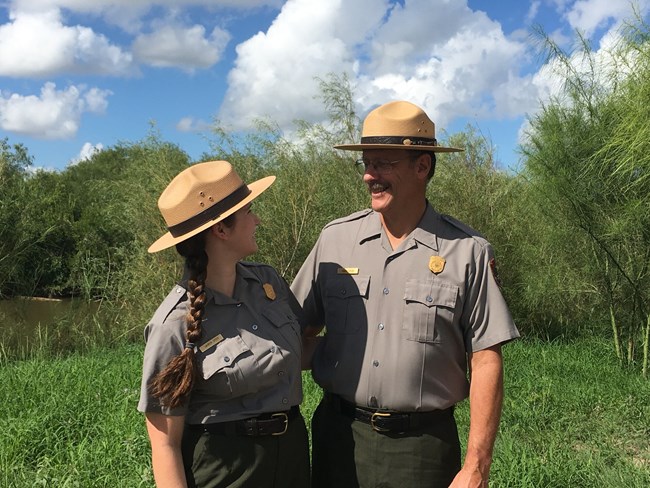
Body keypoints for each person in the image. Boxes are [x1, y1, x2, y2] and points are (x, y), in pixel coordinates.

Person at [291, 101, 520, 488]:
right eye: (366, 162)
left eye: (383, 163)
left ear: (422, 166)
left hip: (423, 450)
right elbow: (296, 333)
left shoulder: (467, 251)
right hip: (338, 438)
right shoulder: (335, 240)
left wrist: (477, 466)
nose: (369, 175)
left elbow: (485, 361)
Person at [138, 160, 310, 488]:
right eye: (249, 212)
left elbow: (303, 348)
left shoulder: (268, 283)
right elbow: (165, 443)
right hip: (226, 468)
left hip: (291, 457)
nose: (256, 219)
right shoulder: (172, 325)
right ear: (221, 230)